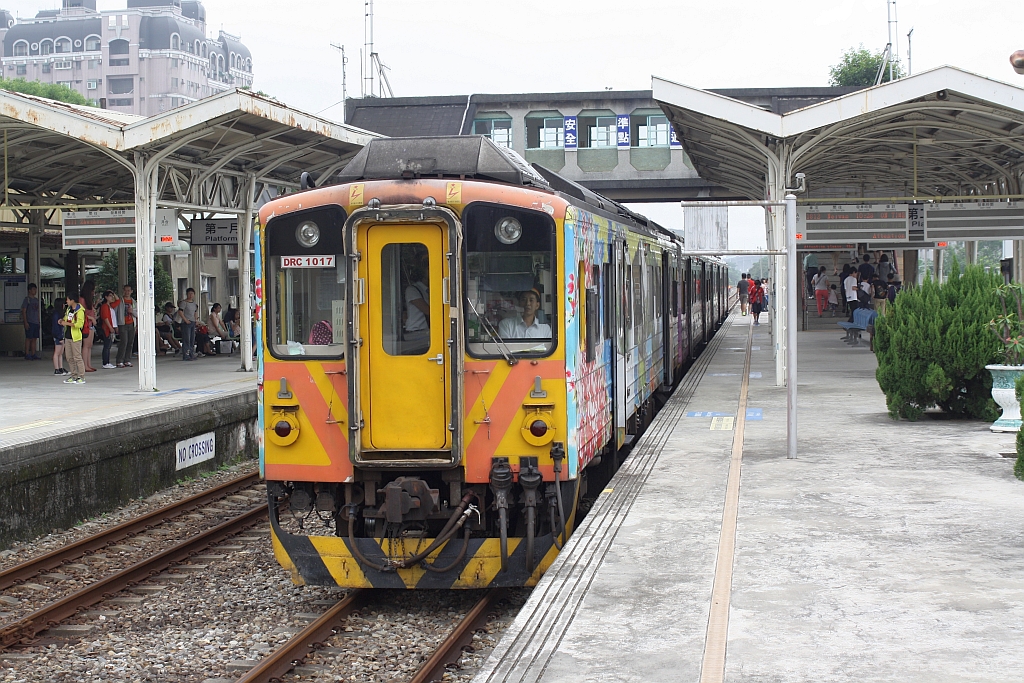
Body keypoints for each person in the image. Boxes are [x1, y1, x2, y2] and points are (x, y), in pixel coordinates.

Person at [59, 291, 86, 384]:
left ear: (72, 300)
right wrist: (62, 321)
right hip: (68, 336)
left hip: (76, 337)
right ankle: (74, 375)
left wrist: (66, 323)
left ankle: (81, 376)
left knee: (77, 357)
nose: (66, 301)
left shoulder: (80, 310)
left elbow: (79, 324)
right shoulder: (69, 309)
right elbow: (67, 319)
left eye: (67, 299)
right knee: (69, 357)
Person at [404, 261, 430, 354]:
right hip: (416, 332)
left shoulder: (429, 290)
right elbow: (427, 310)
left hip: (426, 331)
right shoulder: (412, 290)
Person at [112, 284, 135, 368]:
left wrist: (132, 311)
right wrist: (116, 325)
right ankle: (119, 360)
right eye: (125, 290)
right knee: (123, 342)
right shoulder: (120, 301)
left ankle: (127, 360)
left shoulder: (133, 301)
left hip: (131, 323)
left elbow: (137, 313)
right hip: (122, 323)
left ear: (131, 291)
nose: (127, 292)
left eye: (129, 290)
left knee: (130, 342)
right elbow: (114, 312)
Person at [79, 280, 98, 372]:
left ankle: (88, 364)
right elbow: (81, 313)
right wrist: (92, 318)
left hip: (91, 325)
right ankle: (85, 365)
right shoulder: (82, 300)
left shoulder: (88, 300)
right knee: (86, 346)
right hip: (86, 324)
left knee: (89, 345)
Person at [98, 290, 119, 369]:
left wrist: (113, 293)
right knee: (107, 345)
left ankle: (107, 362)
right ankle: (105, 362)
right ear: (106, 297)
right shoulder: (104, 306)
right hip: (107, 328)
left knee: (109, 345)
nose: (112, 297)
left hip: (111, 327)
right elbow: (105, 318)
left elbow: (118, 301)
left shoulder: (110, 306)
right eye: (110, 296)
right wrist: (110, 327)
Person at [178, 287, 199, 361]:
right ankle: (186, 355)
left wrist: (196, 320)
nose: (190, 295)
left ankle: (191, 354)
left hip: (192, 322)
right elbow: (180, 312)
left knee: (192, 339)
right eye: (189, 293)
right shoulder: (184, 303)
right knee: (187, 339)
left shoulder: (194, 304)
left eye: (192, 293)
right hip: (186, 322)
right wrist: (185, 319)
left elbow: (195, 312)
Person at [21, 282, 40, 360]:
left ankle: (33, 353)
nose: (35, 291)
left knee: (34, 338)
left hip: (36, 322)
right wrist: (25, 322)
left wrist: (38, 321)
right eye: (33, 289)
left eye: (35, 289)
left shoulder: (36, 300)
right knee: (28, 338)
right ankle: (27, 353)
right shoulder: (27, 300)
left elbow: (38, 311)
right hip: (30, 321)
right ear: (29, 290)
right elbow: (24, 311)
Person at [51, 305, 67, 375]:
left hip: (61, 335)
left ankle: (61, 368)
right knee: (57, 353)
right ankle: (56, 369)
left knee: (60, 353)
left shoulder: (60, 314)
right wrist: (59, 336)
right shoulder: (56, 315)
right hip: (58, 336)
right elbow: (56, 327)